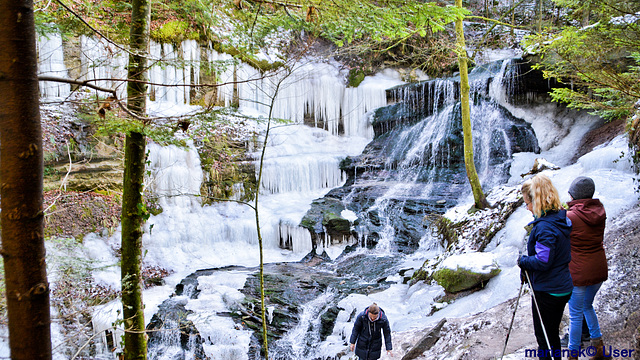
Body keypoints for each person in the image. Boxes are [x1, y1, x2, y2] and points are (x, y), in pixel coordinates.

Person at [517, 174, 573, 360]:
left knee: (544, 339)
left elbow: (543, 261)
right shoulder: (559, 217)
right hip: (561, 285)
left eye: (527, 203)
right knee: (551, 336)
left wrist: (523, 262)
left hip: (548, 291)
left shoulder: (545, 228)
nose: (527, 208)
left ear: (537, 201)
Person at [566, 176, 608, 360]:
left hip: (579, 272)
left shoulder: (570, 216)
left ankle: (573, 354)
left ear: (575, 195)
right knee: (587, 306)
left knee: (575, 314)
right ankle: (598, 347)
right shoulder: (600, 211)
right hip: (598, 267)